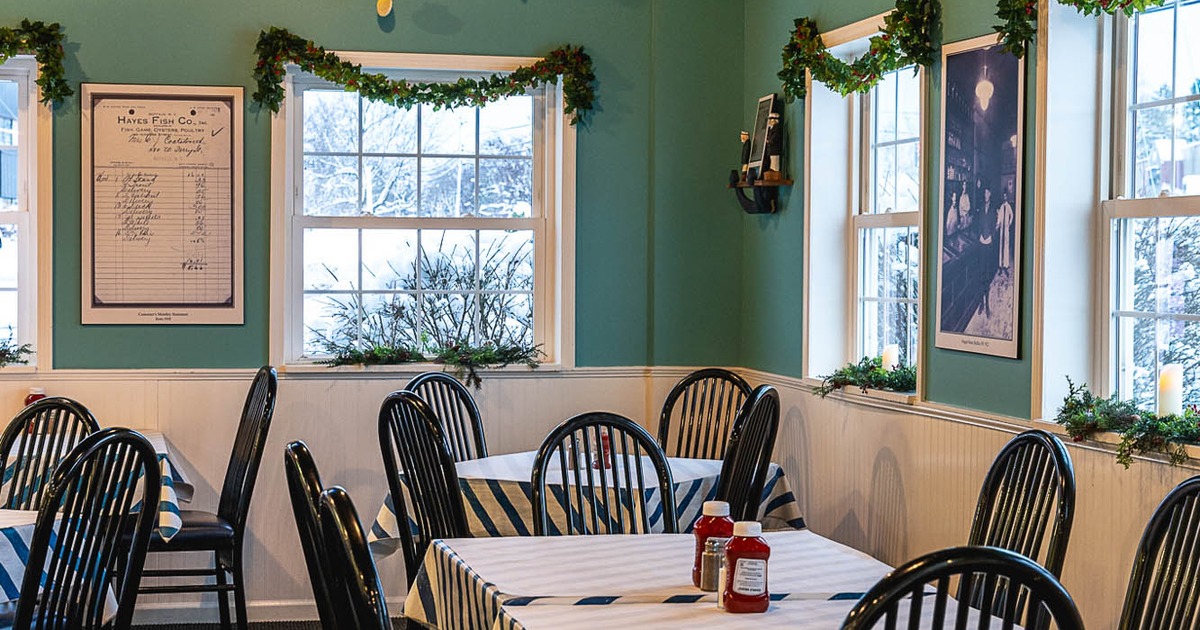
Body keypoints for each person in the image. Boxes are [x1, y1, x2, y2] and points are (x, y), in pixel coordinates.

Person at [996, 191, 1014, 274]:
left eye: (1005, 196)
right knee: (1001, 247)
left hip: (1006, 229)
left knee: (1006, 247)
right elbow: (999, 217)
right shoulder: (1001, 206)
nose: (1004, 198)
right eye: (1003, 196)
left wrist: (1009, 224)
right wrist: (998, 224)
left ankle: (1006, 265)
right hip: (1001, 230)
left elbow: (1012, 215)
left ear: (1007, 197)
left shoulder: (1008, 206)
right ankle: (1000, 265)